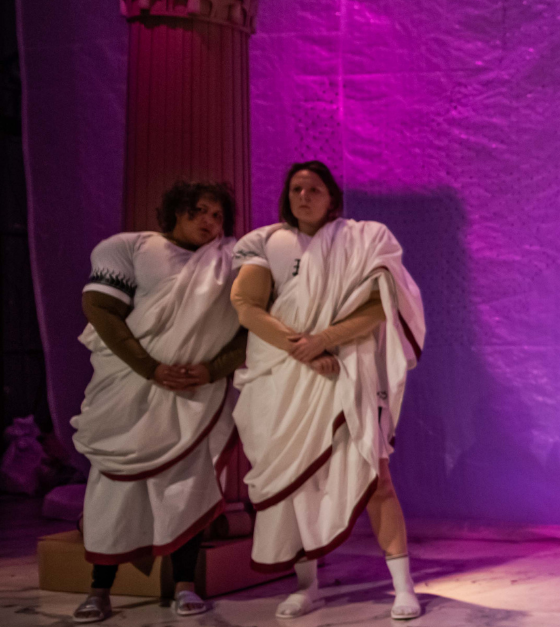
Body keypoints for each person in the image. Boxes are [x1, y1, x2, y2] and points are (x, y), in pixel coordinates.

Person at [230, 161, 427, 620]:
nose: (303, 196)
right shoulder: (264, 242)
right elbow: (246, 305)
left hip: (347, 371)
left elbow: (382, 304)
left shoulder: (366, 239)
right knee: (296, 485)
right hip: (284, 377)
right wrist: (301, 349)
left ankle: (404, 587)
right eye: (295, 189)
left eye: (314, 189)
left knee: (377, 477)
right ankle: (308, 587)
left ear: (332, 198)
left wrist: (325, 340)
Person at [69, 181, 245, 623]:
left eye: (217, 215)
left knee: (186, 488)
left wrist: (213, 369)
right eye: (199, 211)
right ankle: (99, 590)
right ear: (175, 211)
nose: (209, 222)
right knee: (114, 491)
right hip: (129, 392)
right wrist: (150, 368)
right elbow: (101, 311)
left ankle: (185, 586)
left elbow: (251, 324)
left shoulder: (232, 261)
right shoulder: (128, 247)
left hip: (193, 394)